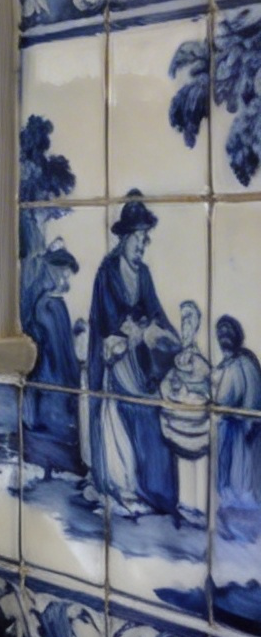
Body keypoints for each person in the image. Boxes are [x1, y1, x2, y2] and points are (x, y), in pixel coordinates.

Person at [86, 194, 180, 514]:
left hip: (139, 360)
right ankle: (123, 486)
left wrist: (171, 337)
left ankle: (158, 493)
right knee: (125, 417)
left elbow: (156, 311)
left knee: (151, 412)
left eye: (145, 239)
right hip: (116, 361)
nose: (142, 245)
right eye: (138, 238)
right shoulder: (107, 272)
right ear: (124, 238)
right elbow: (106, 321)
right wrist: (133, 330)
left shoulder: (144, 274)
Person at [21, 239, 84, 477]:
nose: (66, 278)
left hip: (58, 374)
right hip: (51, 375)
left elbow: (63, 342)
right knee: (55, 420)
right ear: (53, 272)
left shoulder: (57, 304)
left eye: (67, 274)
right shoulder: (47, 306)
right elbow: (55, 347)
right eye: (63, 273)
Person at [159, 298, 210, 526]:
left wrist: (189, 390)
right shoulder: (178, 357)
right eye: (183, 321)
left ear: (196, 325)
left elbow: (206, 384)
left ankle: (200, 507)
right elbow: (166, 383)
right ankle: (186, 505)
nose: (185, 327)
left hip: (196, 422)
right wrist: (173, 389)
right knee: (183, 463)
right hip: (179, 420)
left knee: (200, 464)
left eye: (189, 321)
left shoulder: (200, 361)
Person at [215, 313, 261, 508]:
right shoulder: (231, 363)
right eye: (220, 331)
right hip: (236, 425)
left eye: (227, 330)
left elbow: (226, 397)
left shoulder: (241, 364)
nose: (223, 335)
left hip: (240, 427)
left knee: (239, 473)